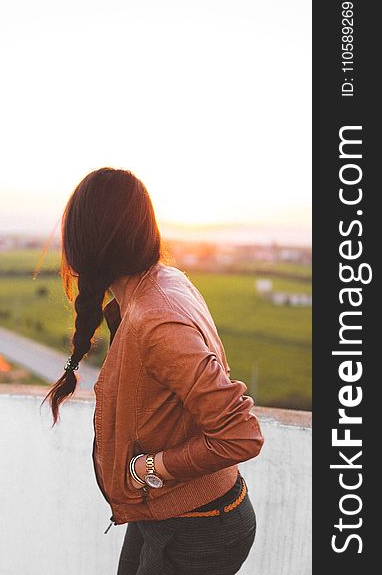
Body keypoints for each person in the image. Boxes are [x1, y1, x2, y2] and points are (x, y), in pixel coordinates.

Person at [42, 167, 264, 574]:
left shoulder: (156, 320)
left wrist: (147, 469)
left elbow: (240, 435)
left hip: (198, 526)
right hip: (163, 509)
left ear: (81, 244)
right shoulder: (157, 286)